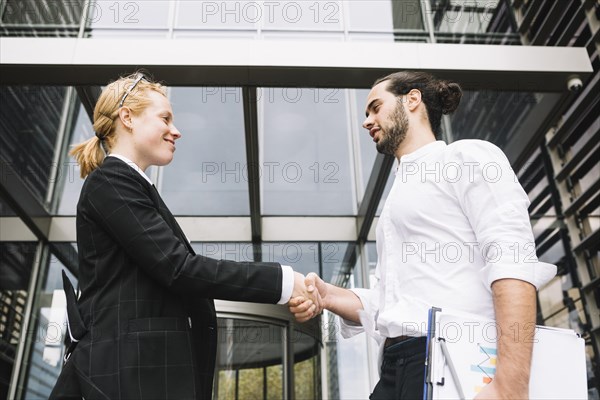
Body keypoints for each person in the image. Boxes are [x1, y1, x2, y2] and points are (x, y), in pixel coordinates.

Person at [50, 72, 319, 400]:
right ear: (127, 117)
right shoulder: (112, 182)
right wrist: (284, 282)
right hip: (128, 376)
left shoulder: (129, 186)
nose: (175, 130)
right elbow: (178, 268)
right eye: (165, 118)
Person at [290, 71, 557, 399]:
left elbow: (512, 258)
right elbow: (391, 304)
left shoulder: (466, 157)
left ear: (412, 99)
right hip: (394, 368)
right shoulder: (395, 202)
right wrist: (327, 295)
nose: (367, 121)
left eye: (375, 107)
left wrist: (511, 384)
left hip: (451, 357)